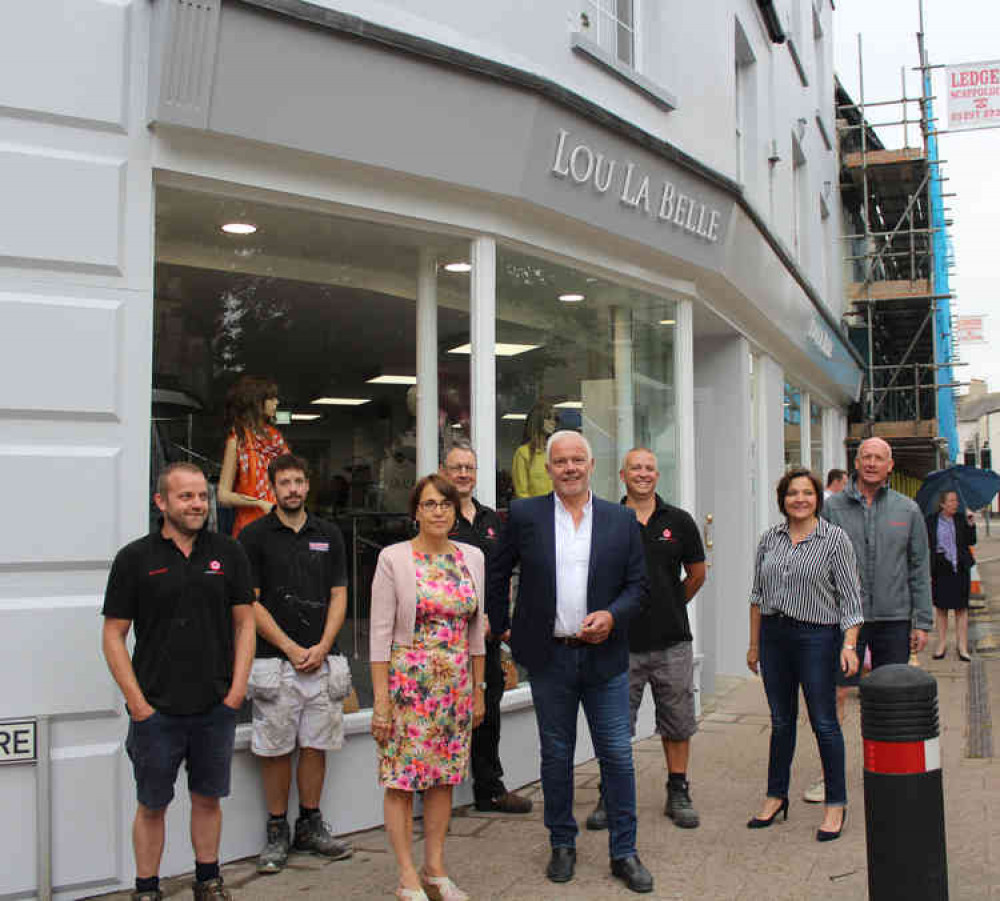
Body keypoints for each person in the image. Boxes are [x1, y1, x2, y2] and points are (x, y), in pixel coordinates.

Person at [489, 430, 653, 893]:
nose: (569, 468)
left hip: (605, 659)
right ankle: (562, 842)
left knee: (617, 756)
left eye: (577, 460)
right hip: (550, 658)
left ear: (592, 464)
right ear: (548, 467)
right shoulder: (525, 514)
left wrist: (612, 616)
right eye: (560, 461)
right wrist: (501, 626)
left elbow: (638, 587)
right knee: (556, 755)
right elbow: (497, 572)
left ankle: (625, 851)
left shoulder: (621, 520)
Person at [101, 463, 256, 901]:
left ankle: (208, 881)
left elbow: (245, 625)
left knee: (208, 799)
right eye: (186, 497)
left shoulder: (229, 553)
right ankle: (146, 889)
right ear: (161, 502)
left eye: (203, 497)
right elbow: (113, 634)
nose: (197, 505)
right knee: (152, 805)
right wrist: (137, 704)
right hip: (156, 709)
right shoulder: (135, 558)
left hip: (214, 706)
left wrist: (236, 692)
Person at [370, 474, 487, 901]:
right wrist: (381, 702)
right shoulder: (394, 558)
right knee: (401, 780)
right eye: (430, 504)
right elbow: (379, 635)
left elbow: (477, 632)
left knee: (443, 779)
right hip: (407, 685)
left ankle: (435, 868)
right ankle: (406, 876)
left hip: (454, 686)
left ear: (456, 512)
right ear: (415, 511)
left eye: (446, 505)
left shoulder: (472, 557)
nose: (438, 511)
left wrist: (478, 689)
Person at [238, 454, 353, 874]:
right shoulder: (253, 537)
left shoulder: (329, 534)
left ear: (308, 486)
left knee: (315, 745)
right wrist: (289, 647)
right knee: (275, 749)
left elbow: (340, 594)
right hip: (275, 663)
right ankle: (276, 831)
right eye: (284, 482)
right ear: (272, 487)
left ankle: (310, 823)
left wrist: (322, 646)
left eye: (299, 482)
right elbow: (249, 601)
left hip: (322, 661)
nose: (292, 489)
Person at [587, 447, 707, 832]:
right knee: (615, 725)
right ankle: (611, 794)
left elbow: (697, 575)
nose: (643, 474)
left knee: (678, 721)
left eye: (649, 468)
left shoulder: (680, 521)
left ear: (658, 475)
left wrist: (669, 603)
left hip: (672, 641)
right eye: (635, 468)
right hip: (620, 644)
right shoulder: (605, 520)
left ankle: (678, 790)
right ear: (622, 475)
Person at [746, 468, 863, 842]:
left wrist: (849, 645)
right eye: (792, 493)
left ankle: (836, 803)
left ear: (817, 498)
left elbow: (851, 599)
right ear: (782, 499)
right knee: (780, 721)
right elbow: (758, 596)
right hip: (774, 637)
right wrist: (753, 644)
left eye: (807, 493)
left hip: (817, 637)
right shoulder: (769, 539)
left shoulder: (834, 539)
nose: (800, 499)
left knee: (824, 722)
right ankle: (775, 796)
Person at [440, 442, 533, 815]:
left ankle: (489, 789)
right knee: (442, 716)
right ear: (444, 472)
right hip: (445, 640)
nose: (464, 474)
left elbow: (504, 575)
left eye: (470, 468)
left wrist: (505, 621)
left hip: (488, 639)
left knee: (487, 714)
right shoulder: (435, 518)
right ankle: (435, 796)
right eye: (457, 467)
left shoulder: (493, 521)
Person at [218, 375, 289, 537]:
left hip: (281, 523)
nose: (276, 402)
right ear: (256, 402)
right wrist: (260, 503)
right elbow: (223, 495)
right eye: (271, 398)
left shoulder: (277, 440)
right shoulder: (238, 439)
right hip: (250, 527)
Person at [926, 489, 977, 661]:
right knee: (941, 609)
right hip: (941, 568)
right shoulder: (931, 521)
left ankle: (962, 646)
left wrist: (971, 524)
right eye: (952, 501)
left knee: (961, 609)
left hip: (960, 567)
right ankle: (941, 644)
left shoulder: (962, 519)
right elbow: (926, 543)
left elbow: (971, 541)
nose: (956, 504)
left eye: (956, 500)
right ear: (942, 504)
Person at [511, 400, 556, 498]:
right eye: (548, 418)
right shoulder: (523, 453)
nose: (553, 422)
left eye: (554, 419)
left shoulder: (555, 452)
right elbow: (521, 493)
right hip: (534, 511)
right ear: (538, 421)